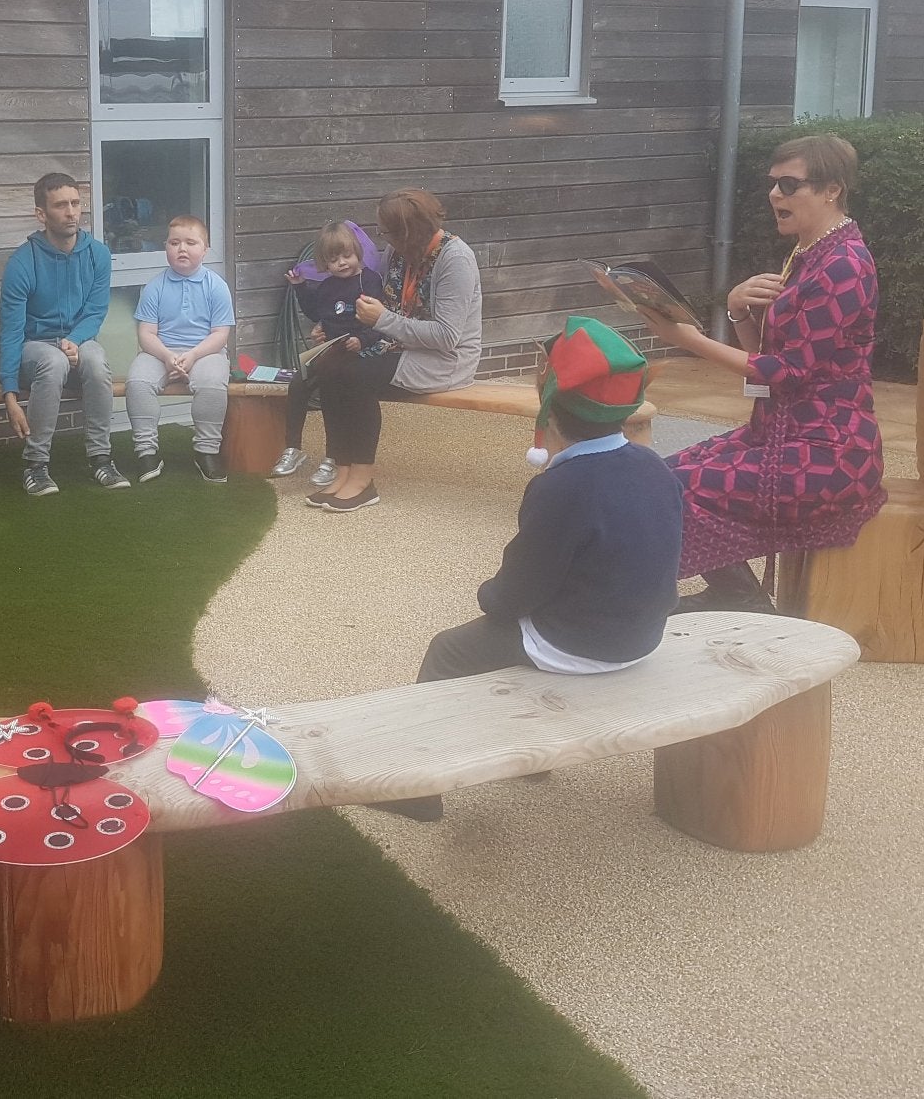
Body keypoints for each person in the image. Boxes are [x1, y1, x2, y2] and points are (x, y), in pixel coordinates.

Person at [382, 317, 683, 822]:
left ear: (551, 405)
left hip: (583, 645)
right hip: (642, 635)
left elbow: (520, 591)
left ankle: (417, 790)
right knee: (507, 635)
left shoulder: (562, 486)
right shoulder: (654, 466)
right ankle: (532, 753)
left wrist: (489, 597)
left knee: (449, 650)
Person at [637, 135, 886, 606]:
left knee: (672, 487)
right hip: (781, 434)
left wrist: (691, 342)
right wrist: (737, 313)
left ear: (831, 189)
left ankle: (726, 597)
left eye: (789, 185)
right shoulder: (809, 255)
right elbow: (769, 365)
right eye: (773, 185)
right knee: (654, 476)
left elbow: (786, 373)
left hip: (830, 453)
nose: (775, 195)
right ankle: (737, 594)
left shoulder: (845, 265)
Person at [314, 189, 483, 514]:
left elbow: (447, 336)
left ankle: (363, 481)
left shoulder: (455, 259)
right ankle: (343, 470)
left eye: (387, 231)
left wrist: (384, 320)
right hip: (396, 344)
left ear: (409, 232)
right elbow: (385, 309)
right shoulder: (399, 251)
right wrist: (333, 329)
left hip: (445, 361)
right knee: (330, 367)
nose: (382, 238)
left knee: (357, 374)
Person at [0, 173, 127, 497]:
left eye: (75, 203)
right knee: (53, 361)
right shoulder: (21, 263)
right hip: (35, 348)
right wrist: (9, 395)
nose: (71, 212)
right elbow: (11, 331)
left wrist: (76, 340)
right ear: (42, 214)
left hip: (78, 340)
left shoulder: (97, 254)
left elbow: (96, 311)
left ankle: (100, 458)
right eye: (61, 205)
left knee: (97, 361)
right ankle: (36, 465)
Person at [270, 220, 387, 483]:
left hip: (358, 349)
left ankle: (333, 458)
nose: (342, 263)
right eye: (334, 260)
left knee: (332, 389)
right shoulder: (327, 286)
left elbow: (381, 323)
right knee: (299, 382)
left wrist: (361, 339)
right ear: (325, 263)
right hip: (331, 348)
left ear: (358, 251)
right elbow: (316, 313)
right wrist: (300, 287)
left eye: (346, 255)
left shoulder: (369, 280)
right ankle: (293, 448)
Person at [124, 215, 235, 484]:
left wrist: (194, 355)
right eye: (174, 243)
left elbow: (220, 335)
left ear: (205, 249)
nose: (182, 249)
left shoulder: (216, 286)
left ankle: (206, 451)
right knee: (137, 382)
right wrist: (166, 357)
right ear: (166, 247)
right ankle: (146, 451)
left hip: (205, 352)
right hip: (160, 351)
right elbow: (146, 334)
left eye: (190, 242)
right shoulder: (154, 287)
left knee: (211, 383)